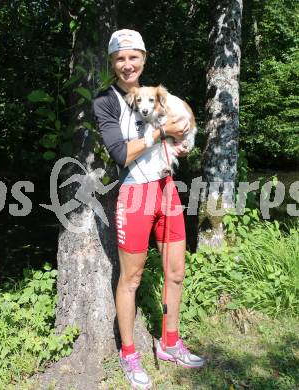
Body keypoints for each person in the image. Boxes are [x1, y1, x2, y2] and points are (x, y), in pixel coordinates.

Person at [93, 29, 205, 390]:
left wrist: (179, 140)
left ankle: (170, 342)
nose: (127, 65)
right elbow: (121, 154)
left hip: (166, 189)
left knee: (174, 272)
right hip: (135, 195)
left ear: (143, 58)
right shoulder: (106, 101)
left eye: (133, 57)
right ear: (112, 63)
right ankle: (129, 352)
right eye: (120, 58)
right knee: (132, 278)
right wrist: (161, 134)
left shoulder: (160, 96)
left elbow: (179, 130)